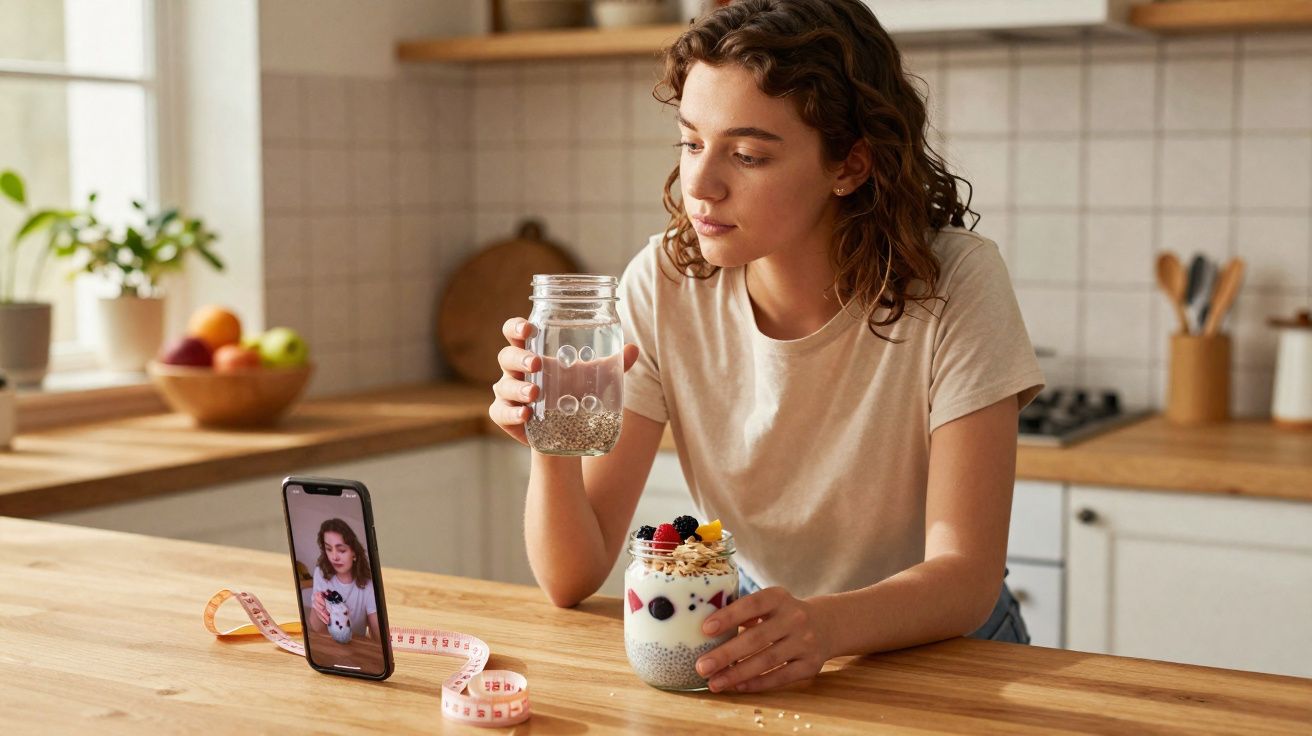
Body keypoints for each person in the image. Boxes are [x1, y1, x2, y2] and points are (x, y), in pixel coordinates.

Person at [489, 0, 1044, 694]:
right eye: (692, 142)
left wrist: (824, 626)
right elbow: (571, 576)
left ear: (849, 164)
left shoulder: (956, 280)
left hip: (949, 655)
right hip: (765, 645)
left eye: (747, 154)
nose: (700, 184)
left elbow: (964, 578)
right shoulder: (663, 283)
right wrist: (552, 435)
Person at [308, 518, 380, 642]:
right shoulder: (321, 573)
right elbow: (317, 629)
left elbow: (377, 635)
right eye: (329, 549)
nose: (334, 557)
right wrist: (317, 606)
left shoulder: (368, 585)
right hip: (329, 645)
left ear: (354, 553)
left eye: (341, 550)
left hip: (357, 648)